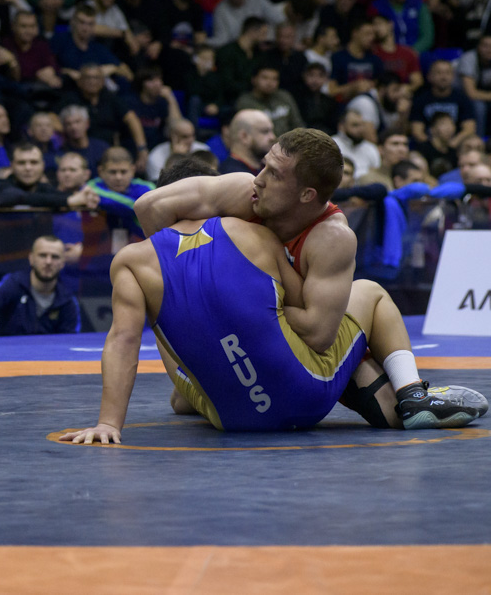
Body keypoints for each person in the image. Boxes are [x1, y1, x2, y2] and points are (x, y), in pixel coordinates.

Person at [62, 157, 478, 442]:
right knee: (367, 294)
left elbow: (121, 343)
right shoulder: (255, 235)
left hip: (228, 417)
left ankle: (192, 385)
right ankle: (407, 393)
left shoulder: (132, 262)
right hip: (303, 395)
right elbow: (317, 328)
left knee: (171, 340)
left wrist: (107, 422)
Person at [0, 235, 79, 337]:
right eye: (42, 255)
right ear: (31, 258)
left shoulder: (67, 300)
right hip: (9, 357)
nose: (48, 261)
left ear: (63, 263)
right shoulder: (12, 284)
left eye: (55, 257)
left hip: (49, 358)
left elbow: (71, 340)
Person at [409, 59, 476, 148]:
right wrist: (434, 146)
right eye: (439, 73)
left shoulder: (462, 98)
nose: (443, 77)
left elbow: (469, 128)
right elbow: (417, 131)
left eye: (447, 73)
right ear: (429, 76)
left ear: (453, 76)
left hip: (456, 145)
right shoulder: (420, 100)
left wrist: (453, 143)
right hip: (428, 147)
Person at [236, 65, 305, 137]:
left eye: (274, 79)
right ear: (254, 79)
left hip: (289, 144)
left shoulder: (284, 97)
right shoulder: (245, 102)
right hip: (260, 146)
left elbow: (298, 125)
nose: (270, 83)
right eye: (265, 78)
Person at [145, 118, 210, 179]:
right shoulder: (156, 156)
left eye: (192, 135)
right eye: (185, 137)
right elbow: (160, 186)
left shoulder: (203, 149)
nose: (191, 140)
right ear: (172, 136)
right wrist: (176, 157)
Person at [220, 109, 276, 175]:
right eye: (265, 132)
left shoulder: (265, 168)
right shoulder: (232, 176)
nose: (272, 137)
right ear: (244, 137)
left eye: (271, 131)